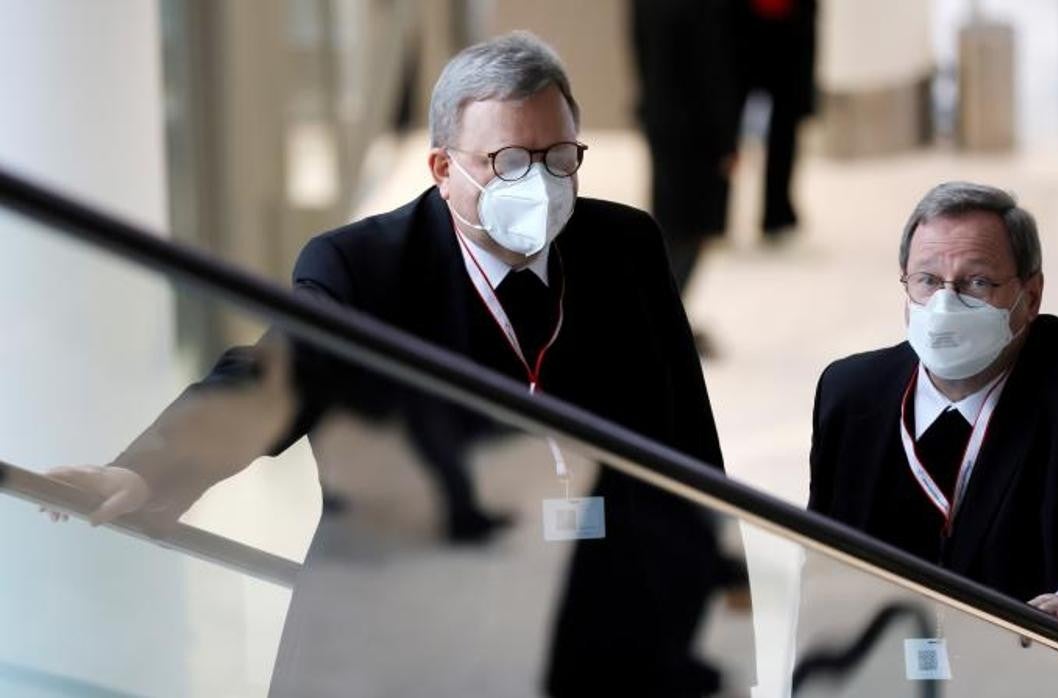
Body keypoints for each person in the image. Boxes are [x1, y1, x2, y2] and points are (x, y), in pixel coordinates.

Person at [47, 32, 743, 697]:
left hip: (597, 644)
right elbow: (270, 377)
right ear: (443, 167)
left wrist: (726, 656)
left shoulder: (624, 249)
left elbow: (691, 458)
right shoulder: (364, 268)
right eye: (509, 162)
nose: (541, 183)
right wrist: (145, 469)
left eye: (560, 158)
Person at [807, 182, 1058, 653]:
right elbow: (823, 570)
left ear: (1031, 296)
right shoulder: (852, 393)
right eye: (928, 280)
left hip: (1039, 673)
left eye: (977, 283)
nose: (946, 302)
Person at [630, 0, 740, 356]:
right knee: (688, 231)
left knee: (675, 227)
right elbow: (712, 69)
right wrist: (726, 138)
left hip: (664, 123)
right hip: (695, 133)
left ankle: (662, 318)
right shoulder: (697, 8)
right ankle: (660, 320)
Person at [737, 0, 817, 241]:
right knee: (723, 123)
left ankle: (777, 212)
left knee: (784, 132)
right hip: (741, 32)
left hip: (787, 36)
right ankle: (713, 211)